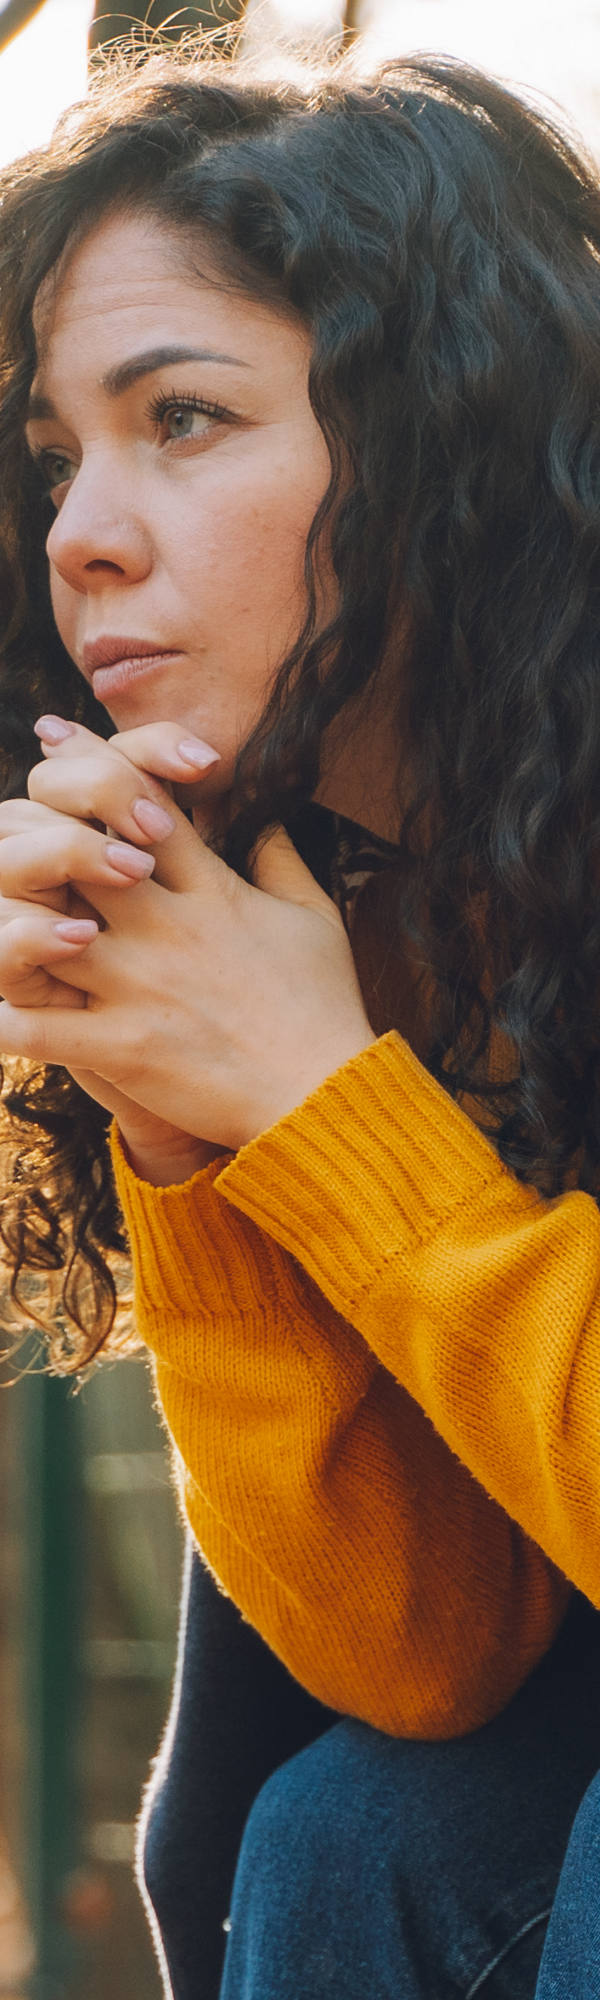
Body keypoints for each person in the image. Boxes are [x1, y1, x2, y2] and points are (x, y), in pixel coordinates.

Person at [0, 37, 599, 1999]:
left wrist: (324, 1104)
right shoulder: (351, 905)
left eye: (182, 414)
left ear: (452, 431)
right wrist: (185, 1120)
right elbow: (425, 1657)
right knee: (324, 1820)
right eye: (53, 452)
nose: (82, 531)